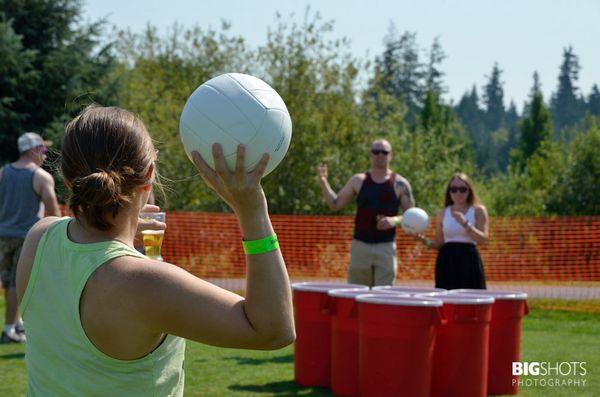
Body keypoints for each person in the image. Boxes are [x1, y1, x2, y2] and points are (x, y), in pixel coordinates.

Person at [16, 106, 294, 395]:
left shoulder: (40, 237)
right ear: (149, 173)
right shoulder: (147, 283)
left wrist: (120, 236)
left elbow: (86, 253)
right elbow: (274, 329)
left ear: (65, 175)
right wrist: (253, 213)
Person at [317, 139, 415, 287]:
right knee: (357, 293)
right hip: (360, 246)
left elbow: (412, 216)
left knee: (383, 297)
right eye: (376, 151)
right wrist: (323, 181)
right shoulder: (359, 180)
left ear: (391, 156)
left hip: (386, 247)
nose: (380, 155)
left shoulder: (400, 183)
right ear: (370, 155)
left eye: (384, 152)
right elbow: (335, 204)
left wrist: (394, 220)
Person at [0, 132, 60, 343]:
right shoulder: (41, 177)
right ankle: (9, 330)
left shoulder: (2, 173)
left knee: (8, 283)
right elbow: (53, 210)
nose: (45, 154)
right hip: (26, 237)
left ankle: (16, 324)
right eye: (43, 149)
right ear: (34, 150)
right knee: (19, 283)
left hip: (3, 236)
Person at [414, 173, 489, 289]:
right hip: (447, 260)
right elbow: (439, 243)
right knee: (446, 300)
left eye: (462, 189)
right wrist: (422, 239)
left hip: (469, 259)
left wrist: (465, 223)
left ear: (469, 191)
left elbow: (482, 239)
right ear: (449, 192)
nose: (458, 193)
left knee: (470, 299)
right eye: (453, 189)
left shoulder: (478, 210)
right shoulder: (442, 213)